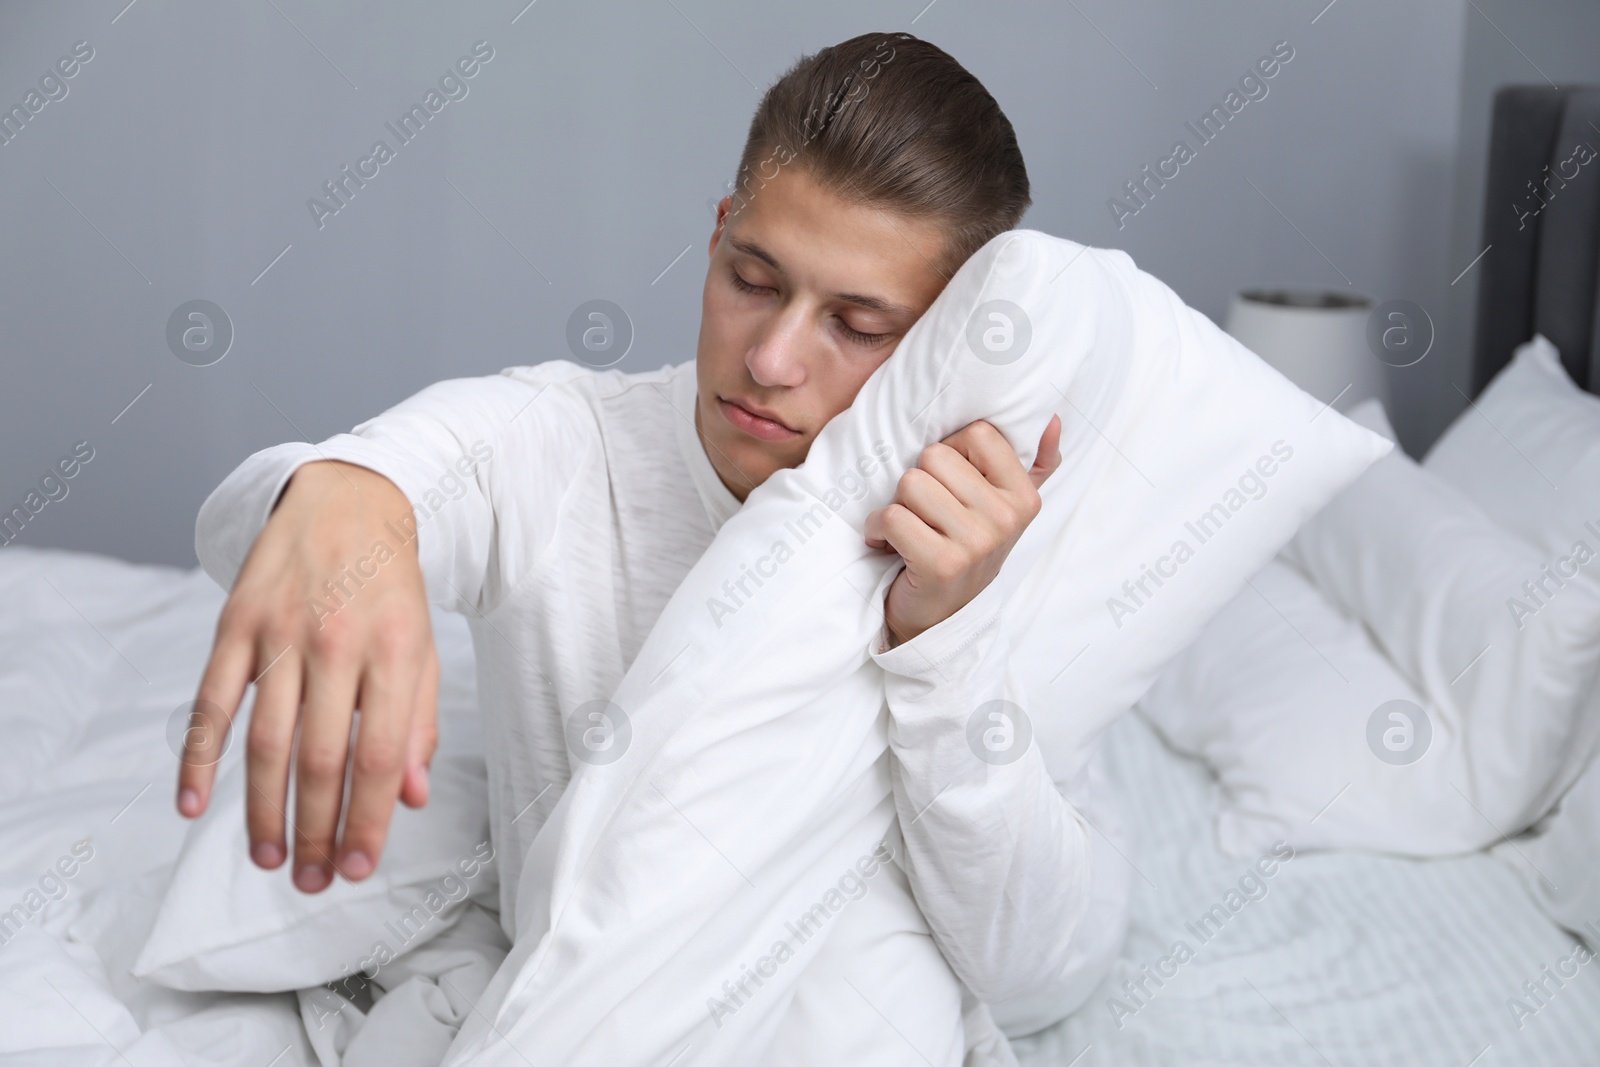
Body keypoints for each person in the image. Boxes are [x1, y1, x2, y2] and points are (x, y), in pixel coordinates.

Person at [181, 30, 1130, 1048]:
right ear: (719, 233)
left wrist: (945, 646)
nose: (768, 359)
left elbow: (1037, 972)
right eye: (753, 278)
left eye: (857, 325)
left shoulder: (989, 537)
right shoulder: (567, 447)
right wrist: (344, 493)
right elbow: (284, 508)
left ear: (945, 346)